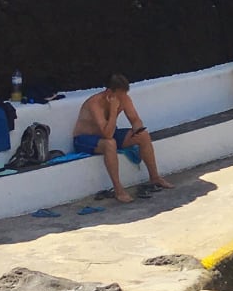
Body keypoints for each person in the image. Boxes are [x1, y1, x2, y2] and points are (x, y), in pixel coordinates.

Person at [70, 74, 172, 203]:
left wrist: (137, 129)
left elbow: (135, 119)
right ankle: (118, 189)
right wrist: (113, 111)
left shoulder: (124, 98)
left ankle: (155, 177)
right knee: (110, 144)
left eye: (124, 94)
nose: (122, 98)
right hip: (84, 139)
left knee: (144, 136)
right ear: (109, 92)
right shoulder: (94, 103)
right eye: (119, 95)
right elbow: (107, 134)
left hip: (110, 133)